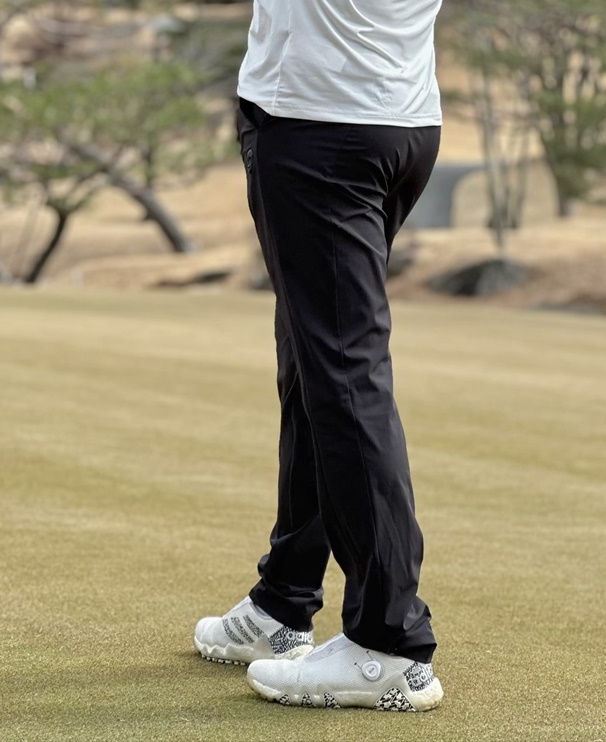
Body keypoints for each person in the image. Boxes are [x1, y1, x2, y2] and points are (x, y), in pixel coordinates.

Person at [194, 0, 444, 712]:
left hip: (320, 125)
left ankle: (388, 643)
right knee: (314, 362)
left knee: (343, 377)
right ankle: (283, 601)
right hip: (398, 118)